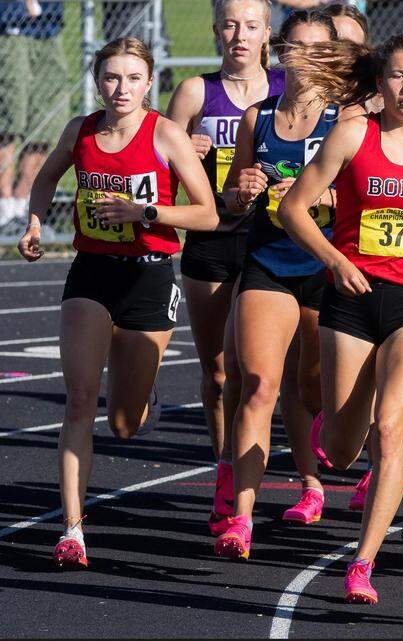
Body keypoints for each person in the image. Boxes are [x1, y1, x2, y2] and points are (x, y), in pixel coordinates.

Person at [276, 32, 403, 604]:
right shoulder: (352, 134)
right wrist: (335, 261)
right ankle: (332, 424)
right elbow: (294, 207)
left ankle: (362, 563)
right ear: (381, 81)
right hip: (352, 295)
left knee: (391, 429)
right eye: (397, 76)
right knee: (343, 449)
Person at [18, 37, 218, 568]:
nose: (121, 88)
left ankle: (141, 394)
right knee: (80, 400)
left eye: (132, 78)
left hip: (149, 276)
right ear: (98, 82)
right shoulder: (81, 130)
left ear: (149, 83)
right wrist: (35, 222)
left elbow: (207, 214)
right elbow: (46, 178)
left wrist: (144, 212)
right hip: (92, 272)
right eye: (111, 77)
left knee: (125, 423)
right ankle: (72, 530)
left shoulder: (165, 134)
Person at [213, 10, 350, 560]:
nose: (304, 60)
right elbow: (231, 201)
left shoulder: (348, 119)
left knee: (311, 392)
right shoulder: (258, 117)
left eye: (317, 50)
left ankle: (314, 478)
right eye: (295, 48)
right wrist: (242, 191)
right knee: (259, 384)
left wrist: (324, 196)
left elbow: (366, 194)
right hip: (269, 262)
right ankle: (241, 519)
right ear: (279, 51)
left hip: (326, 266)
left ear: (332, 56)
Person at [166, 0, 284, 536]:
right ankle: (225, 470)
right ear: (216, 30)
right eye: (231, 25)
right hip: (212, 239)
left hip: (272, 240)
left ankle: (276, 470)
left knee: (263, 375)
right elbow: (154, 162)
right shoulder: (196, 91)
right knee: (218, 374)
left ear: (267, 32)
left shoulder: (286, 88)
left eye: (251, 25)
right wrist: (180, 153)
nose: (240, 34)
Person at [0, 1, 68, 228]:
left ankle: (21, 206)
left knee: (46, 124)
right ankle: (4, 208)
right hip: (10, 27)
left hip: (49, 28)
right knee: (8, 122)